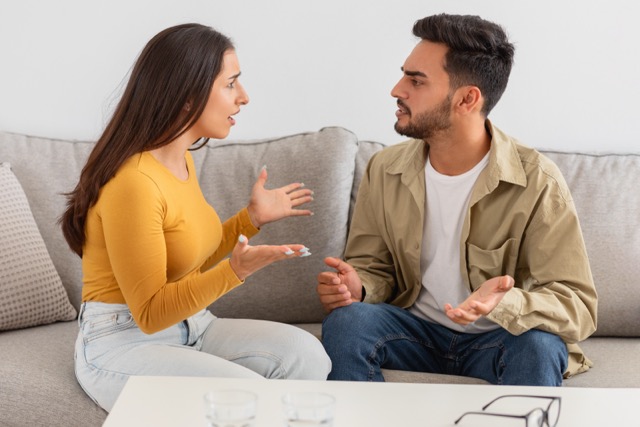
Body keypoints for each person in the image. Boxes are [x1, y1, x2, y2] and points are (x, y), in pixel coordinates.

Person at [60, 23, 331, 412]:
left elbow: (188, 262)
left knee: (306, 355)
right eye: (231, 84)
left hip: (192, 325)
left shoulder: (180, 159)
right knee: (249, 400)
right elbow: (151, 313)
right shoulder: (134, 183)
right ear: (187, 96)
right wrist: (235, 272)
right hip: (123, 342)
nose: (244, 97)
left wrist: (249, 219)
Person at [317, 13, 597, 386]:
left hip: (497, 339)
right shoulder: (385, 170)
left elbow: (577, 306)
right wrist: (359, 287)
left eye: (416, 81)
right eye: (404, 75)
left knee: (540, 347)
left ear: (467, 99)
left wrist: (505, 302)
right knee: (347, 323)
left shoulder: (537, 182)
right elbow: (373, 267)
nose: (397, 89)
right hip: (413, 333)